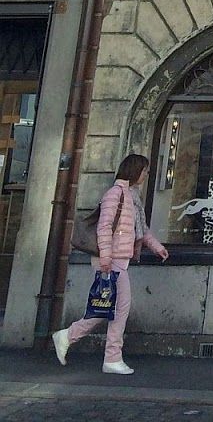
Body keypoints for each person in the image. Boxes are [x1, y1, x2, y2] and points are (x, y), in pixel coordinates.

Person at [52, 152, 169, 375]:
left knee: (109, 308)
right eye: (144, 171)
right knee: (118, 308)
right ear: (135, 171)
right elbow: (104, 227)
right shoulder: (115, 194)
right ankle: (109, 356)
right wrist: (106, 257)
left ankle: (68, 336)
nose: (146, 175)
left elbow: (140, 230)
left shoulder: (133, 197)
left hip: (118, 260)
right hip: (111, 260)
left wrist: (156, 247)